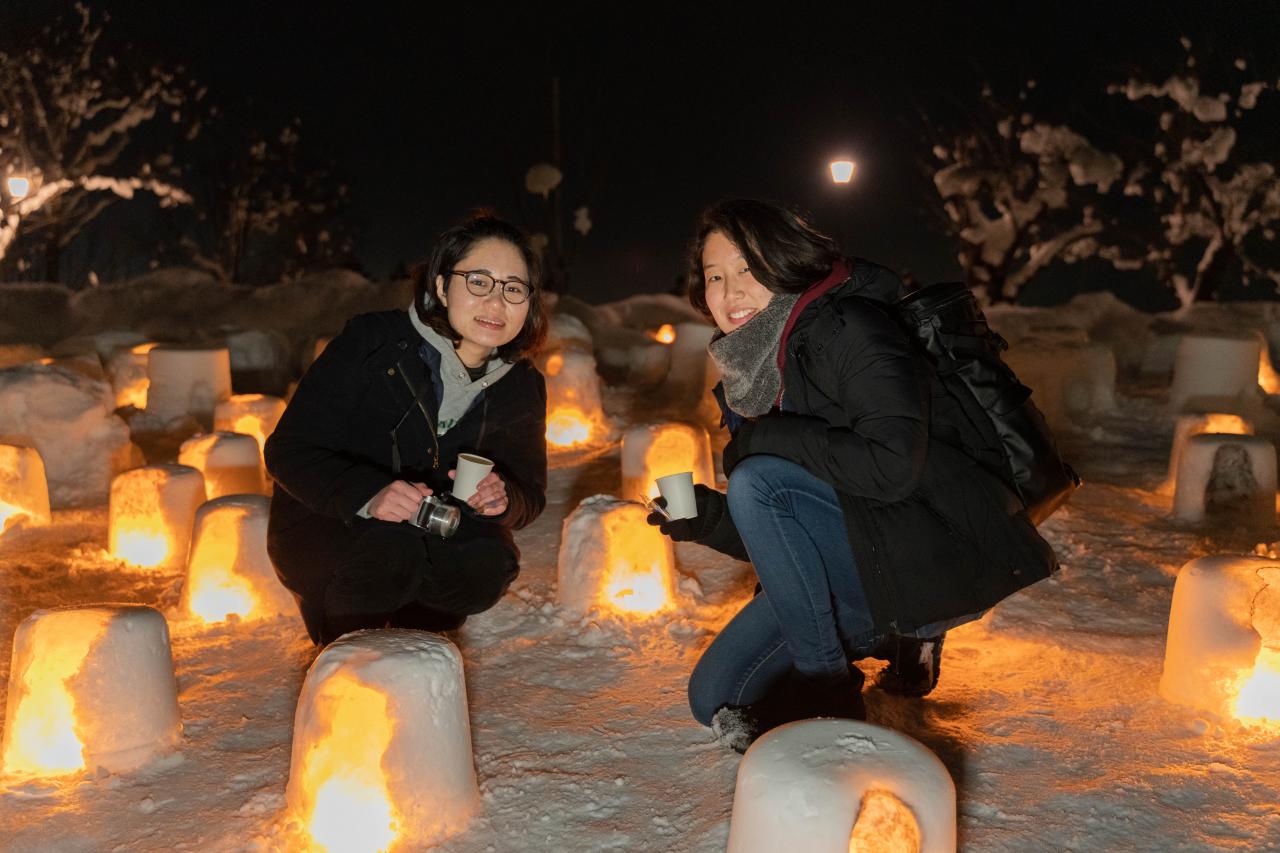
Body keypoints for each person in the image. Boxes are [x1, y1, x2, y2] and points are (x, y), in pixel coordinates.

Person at [648, 198, 1059, 751]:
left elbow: (890, 469)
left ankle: (834, 683)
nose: (730, 292)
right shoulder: (754, 367)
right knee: (716, 699)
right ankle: (882, 640)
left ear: (786, 261)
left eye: (749, 268)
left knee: (759, 479)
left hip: (922, 553)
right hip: (854, 556)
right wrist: (705, 518)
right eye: (715, 275)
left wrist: (764, 442)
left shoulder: (853, 328)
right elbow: (789, 534)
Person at [265, 213, 549, 646]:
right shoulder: (373, 342)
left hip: (440, 531)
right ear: (440, 286)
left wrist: (504, 497)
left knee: (487, 564)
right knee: (390, 551)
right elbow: (289, 450)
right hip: (335, 528)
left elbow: (529, 493)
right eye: (478, 281)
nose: (496, 304)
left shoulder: (521, 384)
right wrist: (369, 493)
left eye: (513, 288)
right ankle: (345, 648)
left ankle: (419, 645)